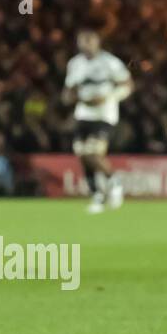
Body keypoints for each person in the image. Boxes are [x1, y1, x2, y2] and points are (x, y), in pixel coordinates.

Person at [63, 29, 133, 214]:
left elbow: (127, 85)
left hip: (104, 115)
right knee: (82, 155)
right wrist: (68, 97)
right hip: (83, 114)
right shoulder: (75, 64)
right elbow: (70, 88)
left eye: (89, 41)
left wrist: (108, 98)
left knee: (93, 154)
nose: (85, 45)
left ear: (97, 43)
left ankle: (114, 181)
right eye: (82, 41)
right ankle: (98, 196)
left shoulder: (110, 62)